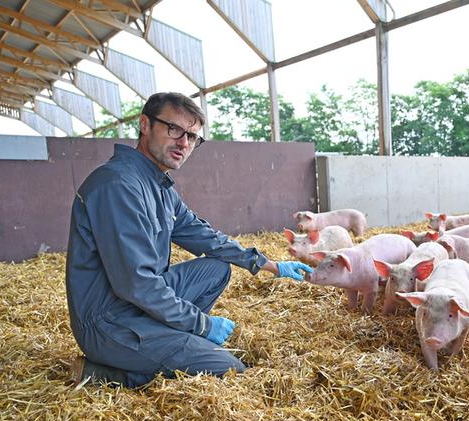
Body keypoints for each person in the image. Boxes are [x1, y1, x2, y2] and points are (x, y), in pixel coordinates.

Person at [66, 92, 312, 388]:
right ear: (145, 125)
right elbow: (137, 283)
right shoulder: (118, 184)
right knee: (227, 368)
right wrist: (202, 324)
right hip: (109, 323)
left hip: (136, 307)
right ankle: (111, 373)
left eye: (193, 137)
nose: (184, 143)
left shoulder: (160, 187)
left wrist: (267, 264)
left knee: (217, 269)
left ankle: (170, 346)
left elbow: (204, 236)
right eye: (174, 130)